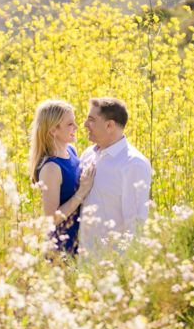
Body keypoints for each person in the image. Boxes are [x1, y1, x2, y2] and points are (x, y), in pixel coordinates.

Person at [78, 97, 152, 255]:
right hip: (86, 260)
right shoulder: (88, 155)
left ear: (109, 125)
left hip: (112, 262)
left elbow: (136, 224)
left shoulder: (133, 164)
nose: (85, 124)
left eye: (91, 120)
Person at [28, 100, 94, 254]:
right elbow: (51, 218)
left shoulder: (71, 150)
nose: (77, 127)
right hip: (61, 246)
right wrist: (81, 192)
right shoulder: (51, 168)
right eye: (70, 124)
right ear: (53, 131)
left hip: (81, 238)